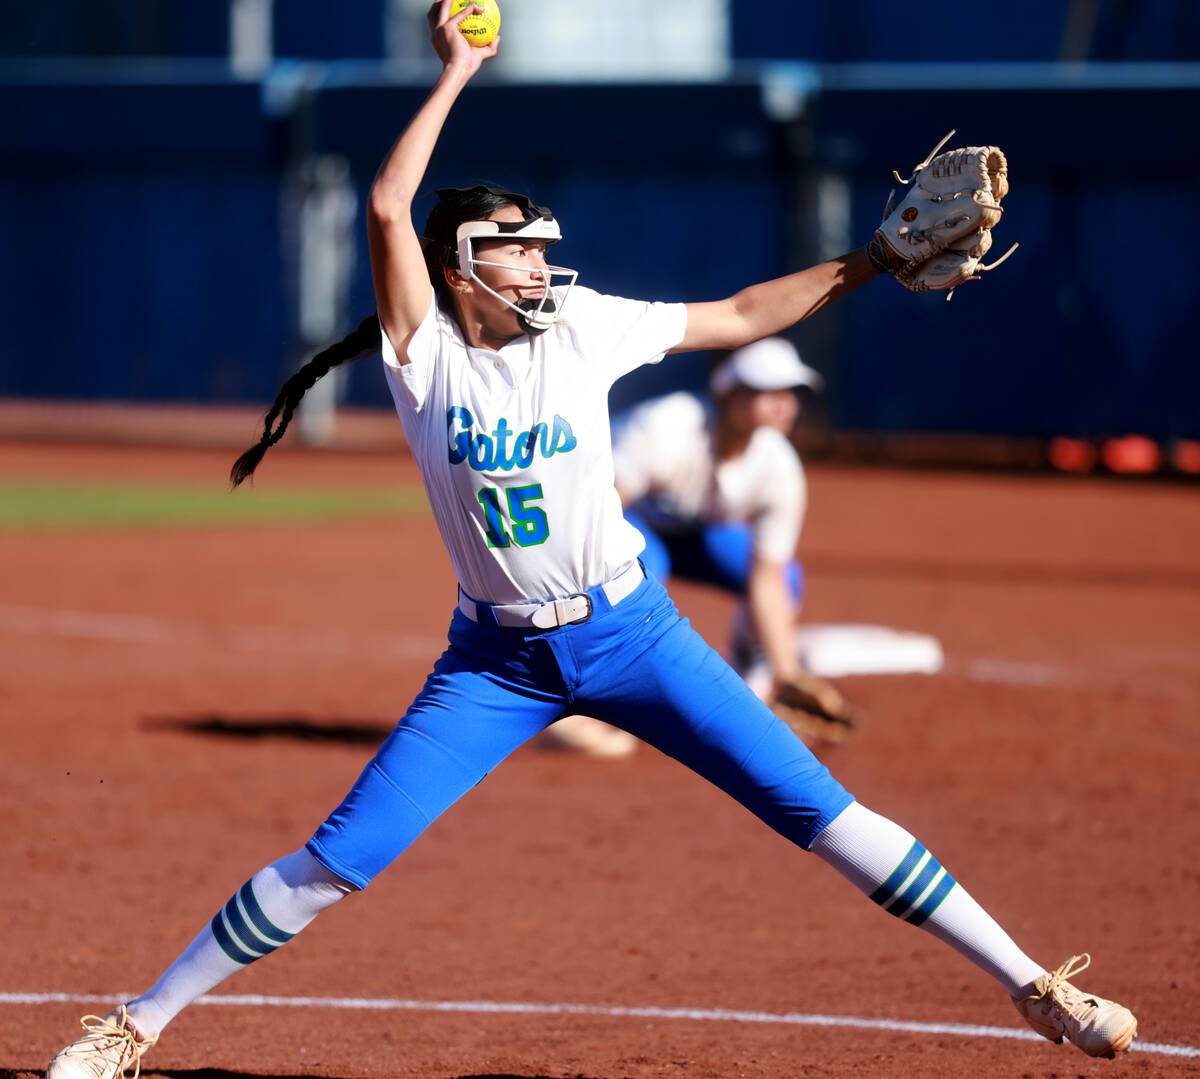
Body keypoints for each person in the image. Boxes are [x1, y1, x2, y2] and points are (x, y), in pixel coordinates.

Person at [46, 5, 1138, 1075]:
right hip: (495, 662)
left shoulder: (584, 326)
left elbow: (745, 311)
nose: (539, 267)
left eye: (540, 250)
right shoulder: (426, 357)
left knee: (819, 810)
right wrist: (455, 73)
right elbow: (387, 203)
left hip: (635, 633)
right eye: (516, 252)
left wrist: (866, 263)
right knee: (343, 856)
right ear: (460, 266)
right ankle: (135, 1023)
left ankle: (1038, 983)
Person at [540, 335, 852, 758]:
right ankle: (584, 701)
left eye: (790, 392)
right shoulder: (666, 425)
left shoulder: (780, 468)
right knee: (641, 564)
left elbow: (766, 577)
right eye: (767, 391)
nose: (784, 403)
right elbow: (596, 521)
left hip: (693, 533)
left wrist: (789, 674)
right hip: (623, 518)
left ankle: (751, 687)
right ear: (728, 392)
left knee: (785, 578)